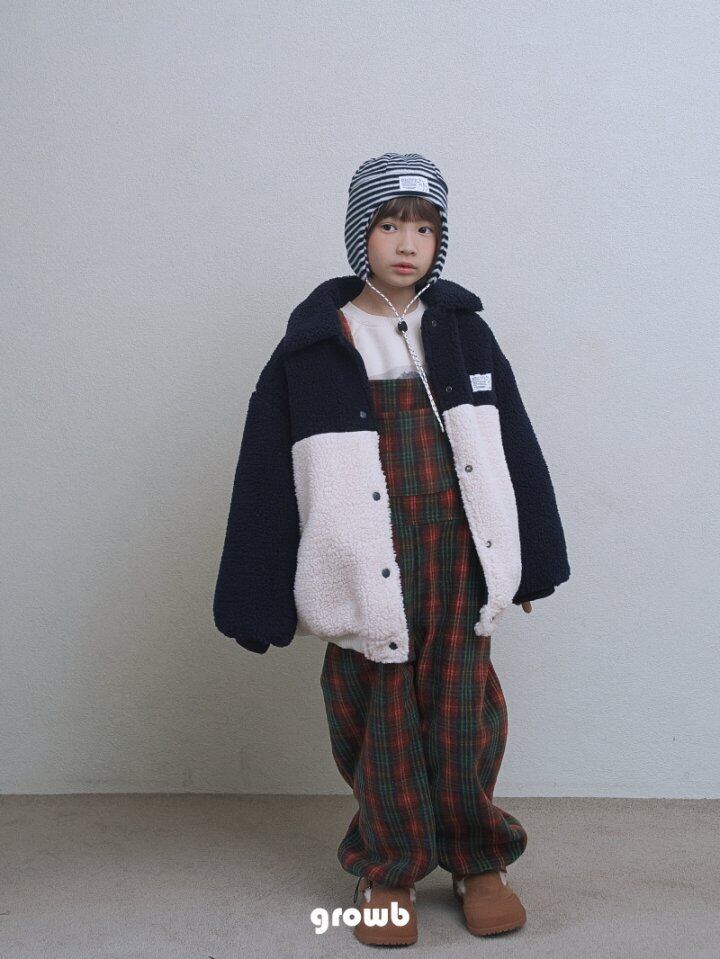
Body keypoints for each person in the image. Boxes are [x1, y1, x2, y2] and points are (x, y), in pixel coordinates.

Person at [213, 152, 570, 945]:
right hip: (364, 567)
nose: (407, 244)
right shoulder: (316, 345)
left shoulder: (465, 333)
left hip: (456, 559)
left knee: (464, 714)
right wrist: (255, 599)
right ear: (359, 235)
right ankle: (389, 865)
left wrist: (533, 563)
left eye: (424, 228)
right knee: (378, 721)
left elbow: (514, 446)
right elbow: (266, 476)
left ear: (440, 240)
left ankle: (478, 857)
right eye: (388, 225)